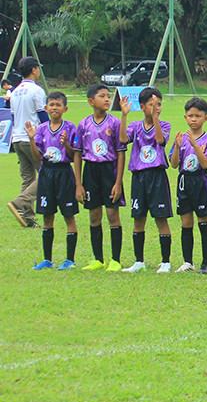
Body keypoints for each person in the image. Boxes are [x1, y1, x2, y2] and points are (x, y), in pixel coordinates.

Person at [72, 83, 126, 272]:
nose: (107, 99)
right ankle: (98, 259)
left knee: (113, 215)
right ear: (90, 101)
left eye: (108, 96)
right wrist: (78, 184)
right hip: (90, 171)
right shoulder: (83, 124)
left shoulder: (115, 123)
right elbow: (77, 155)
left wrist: (118, 182)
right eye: (102, 96)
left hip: (109, 171)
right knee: (94, 217)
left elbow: (120, 153)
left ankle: (116, 260)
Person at [120, 87, 172, 273]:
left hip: (157, 176)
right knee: (138, 219)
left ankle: (165, 262)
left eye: (159, 104)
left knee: (161, 219)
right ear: (142, 106)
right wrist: (124, 116)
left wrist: (155, 118)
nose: (156, 108)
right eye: (152, 104)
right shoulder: (135, 126)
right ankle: (139, 261)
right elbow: (123, 139)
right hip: (139, 177)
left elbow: (160, 141)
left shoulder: (164, 125)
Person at [26, 91, 78, 270]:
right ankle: (47, 260)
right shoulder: (40, 129)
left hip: (64, 173)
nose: (54, 108)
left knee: (68, 216)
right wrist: (32, 139)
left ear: (65, 108)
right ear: (46, 107)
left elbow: (73, 156)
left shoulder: (70, 128)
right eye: (51, 105)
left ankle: (69, 260)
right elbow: (38, 157)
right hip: (47, 173)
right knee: (47, 216)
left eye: (58, 105)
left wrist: (65, 145)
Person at [169, 97, 207, 274]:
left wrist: (195, 145)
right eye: (190, 116)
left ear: (205, 118)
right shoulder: (180, 138)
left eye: (198, 115)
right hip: (184, 181)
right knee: (186, 222)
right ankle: (187, 261)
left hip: (200, 181)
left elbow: (205, 164)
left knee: (203, 220)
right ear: (185, 117)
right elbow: (174, 164)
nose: (194, 119)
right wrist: (178, 147)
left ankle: (206, 262)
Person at [7, 57, 46, 228]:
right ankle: (19, 202)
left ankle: (27, 218)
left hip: (17, 138)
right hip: (32, 138)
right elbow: (43, 116)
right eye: (38, 68)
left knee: (28, 178)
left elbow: (14, 116)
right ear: (34, 70)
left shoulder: (15, 91)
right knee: (47, 174)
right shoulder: (36, 91)